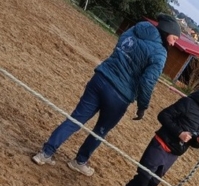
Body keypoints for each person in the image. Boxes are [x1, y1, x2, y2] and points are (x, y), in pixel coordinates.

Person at [31, 14, 181, 177]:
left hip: (100, 78)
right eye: (174, 38)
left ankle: (45, 153)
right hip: (119, 95)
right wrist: (142, 106)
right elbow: (147, 82)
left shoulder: (136, 28)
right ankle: (79, 161)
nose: (174, 43)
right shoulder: (160, 53)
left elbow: (121, 43)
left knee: (76, 118)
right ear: (167, 32)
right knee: (100, 131)